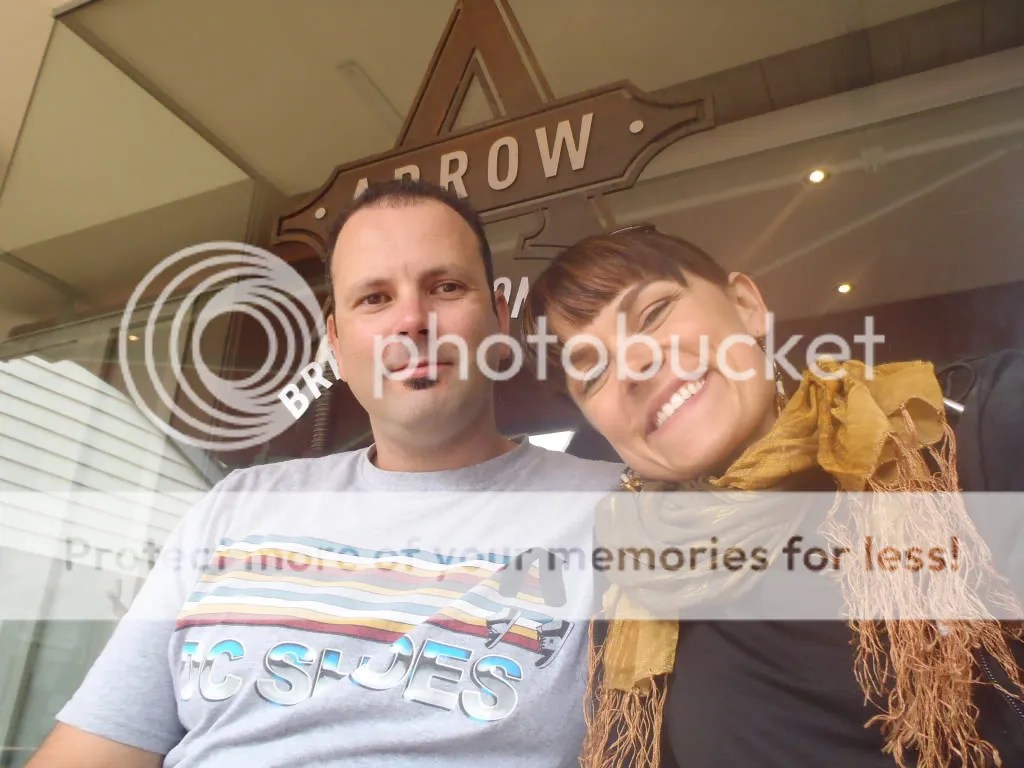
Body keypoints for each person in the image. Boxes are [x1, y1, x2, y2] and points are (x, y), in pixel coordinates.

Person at [29, 179, 621, 767]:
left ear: (497, 319)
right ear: (336, 342)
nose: (412, 320)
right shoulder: (236, 505)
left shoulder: (616, 508)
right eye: (375, 298)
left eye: (445, 287)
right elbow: (96, 747)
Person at [520, 224, 1024, 768]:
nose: (634, 367)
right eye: (592, 373)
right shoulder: (625, 583)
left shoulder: (956, 438)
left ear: (746, 306)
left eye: (653, 313)